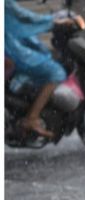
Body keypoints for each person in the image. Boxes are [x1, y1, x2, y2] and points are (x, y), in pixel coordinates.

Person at [4, 0, 73, 139]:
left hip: (9, 43)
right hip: (8, 48)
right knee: (55, 72)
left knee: (38, 51)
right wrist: (53, 21)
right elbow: (24, 17)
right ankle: (32, 118)